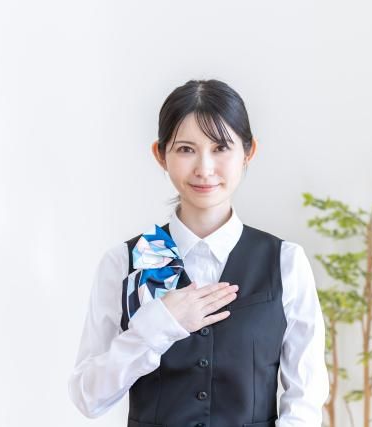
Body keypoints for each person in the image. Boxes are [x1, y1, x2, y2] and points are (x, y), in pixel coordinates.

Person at [67, 79, 329, 427]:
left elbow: (305, 401)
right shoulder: (124, 262)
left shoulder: (285, 262)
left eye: (221, 148)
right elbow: (88, 397)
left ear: (248, 152)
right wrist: (158, 325)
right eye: (186, 149)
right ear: (160, 155)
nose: (204, 169)